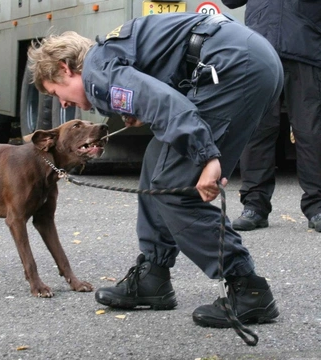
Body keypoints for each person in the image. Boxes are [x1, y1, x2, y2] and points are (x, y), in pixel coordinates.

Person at [27, 12, 283, 328]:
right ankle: (154, 275)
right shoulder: (108, 56)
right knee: (156, 163)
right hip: (250, 59)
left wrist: (207, 157)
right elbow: (161, 83)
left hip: (233, 66)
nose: (63, 104)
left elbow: (165, 105)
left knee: (172, 186)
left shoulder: (97, 72)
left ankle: (248, 288)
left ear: (66, 69)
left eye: (55, 92)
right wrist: (135, 107)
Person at [221, 0, 321, 232]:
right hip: (260, 50)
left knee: (311, 131)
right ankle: (255, 206)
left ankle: (317, 206)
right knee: (256, 131)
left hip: (305, 47)